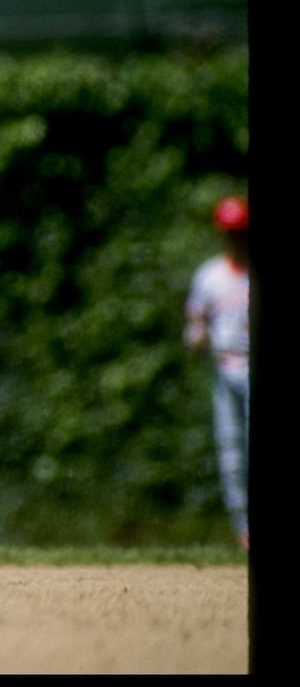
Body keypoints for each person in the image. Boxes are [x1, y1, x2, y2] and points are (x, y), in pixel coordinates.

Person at [184, 196, 250, 552]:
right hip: (225, 368)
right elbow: (194, 326)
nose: (236, 239)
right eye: (230, 233)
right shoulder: (210, 277)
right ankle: (245, 532)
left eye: (241, 232)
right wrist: (197, 338)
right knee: (232, 453)